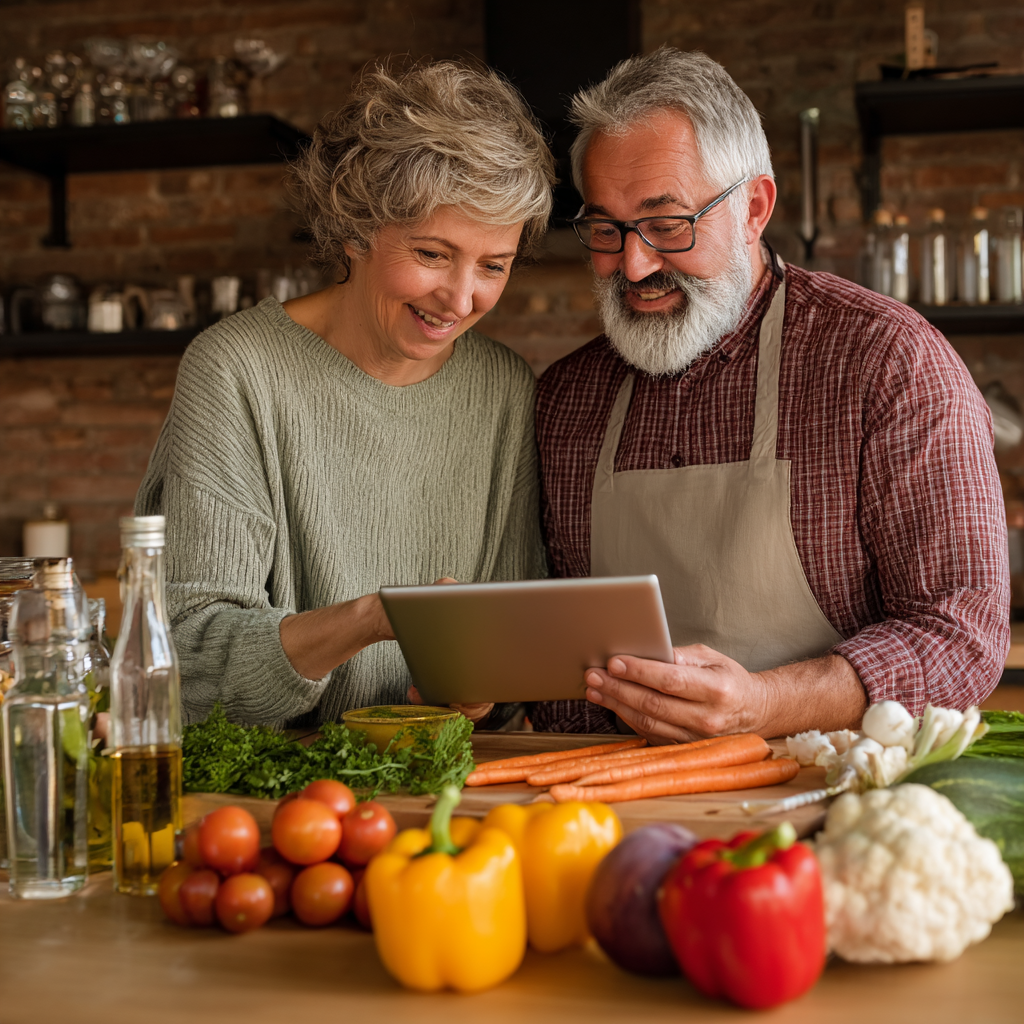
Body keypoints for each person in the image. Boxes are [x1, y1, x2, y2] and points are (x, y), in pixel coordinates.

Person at [530, 48, 1009, 741]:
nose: (634, 265)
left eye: (668, 226)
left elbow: (962, 631)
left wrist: (766, 703)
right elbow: (559, 667)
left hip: (829, 801)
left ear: (753, 207)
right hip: (611, 812)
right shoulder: (567, 399)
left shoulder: (886, 363)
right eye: (606, 229)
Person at [136, 61, 554, 727]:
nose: (461, 298)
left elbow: (507, 664)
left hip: (441, 790)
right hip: (274, 797)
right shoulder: (237, 369)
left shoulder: (501, 387)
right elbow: (190, 663)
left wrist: (483, 690)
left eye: (493, 266)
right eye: (433, 254)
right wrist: (371, 619)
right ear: (358, 228)